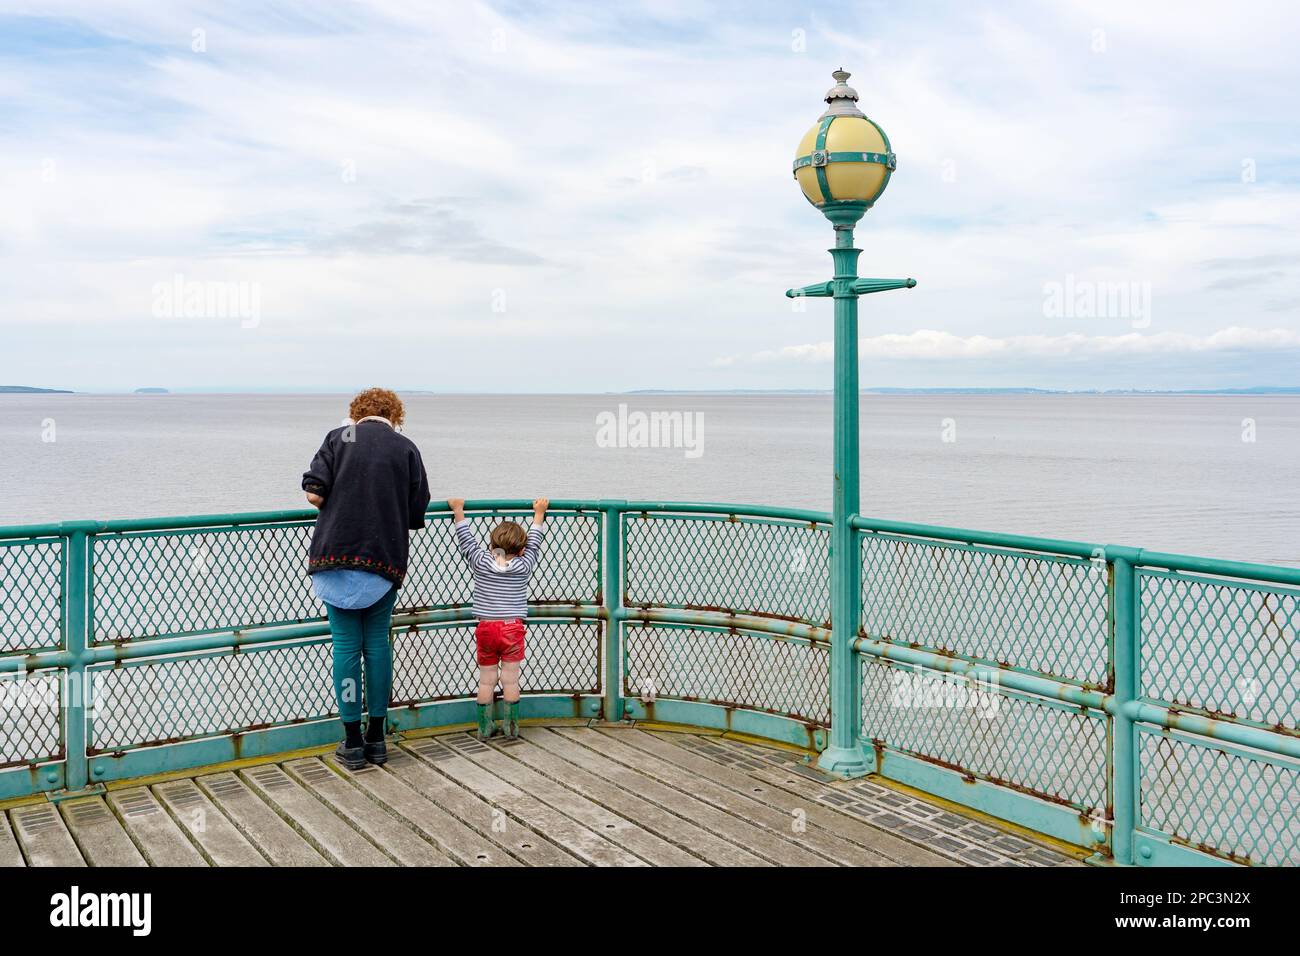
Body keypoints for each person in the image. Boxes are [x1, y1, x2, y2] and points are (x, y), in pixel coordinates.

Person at [302, 388, 430, 769]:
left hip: (335, 557)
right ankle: (377, 738)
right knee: (377, 647)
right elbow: (414, 514)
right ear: (395, 415)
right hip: (382, 561)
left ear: (356, 414)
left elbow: (314, 494)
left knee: (345, 648)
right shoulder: (405, 448)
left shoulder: (339, 437)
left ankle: (352, 741)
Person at [447, 497, 548, 740]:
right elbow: (535, 541)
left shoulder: (481, 562)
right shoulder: (525, 565)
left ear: (492, 547)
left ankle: (484, 728)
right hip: (513, 628)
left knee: (487, 679)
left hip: (486, 628)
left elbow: (467, 542)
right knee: (510, 679)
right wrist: (539, 513)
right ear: (522, 550)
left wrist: (458, 511)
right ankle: (511, 728)